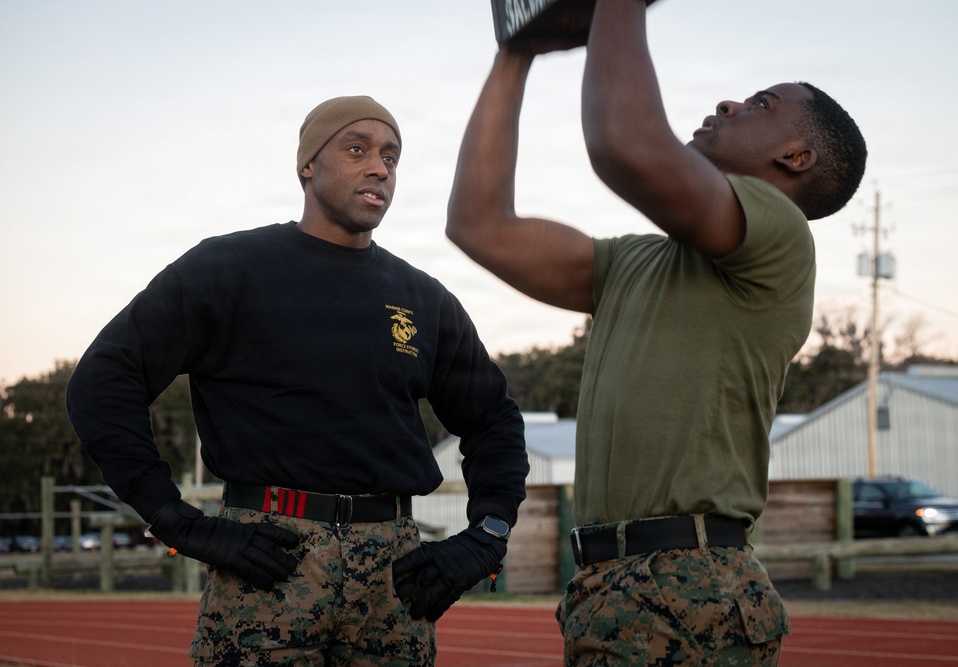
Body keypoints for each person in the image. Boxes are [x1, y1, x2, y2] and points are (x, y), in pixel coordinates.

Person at [446, 0, 867, 664]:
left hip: (691, 582)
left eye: (760, 103)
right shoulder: (637, 261)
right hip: (608, 585)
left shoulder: (781, 233)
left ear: (796, 155)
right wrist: (516, 52)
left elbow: (627, 144)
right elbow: (479, 224)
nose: (728, 103)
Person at [66, 95, 529, 666]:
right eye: (356, 149)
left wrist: (487, 534)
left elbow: (493, 419)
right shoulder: (228, 269)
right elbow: (104, 380)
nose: (379, 167)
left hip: (393, 575)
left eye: (391, 156)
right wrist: (174, 520)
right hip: (268, 563)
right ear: (308, 164)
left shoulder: (422, 298)